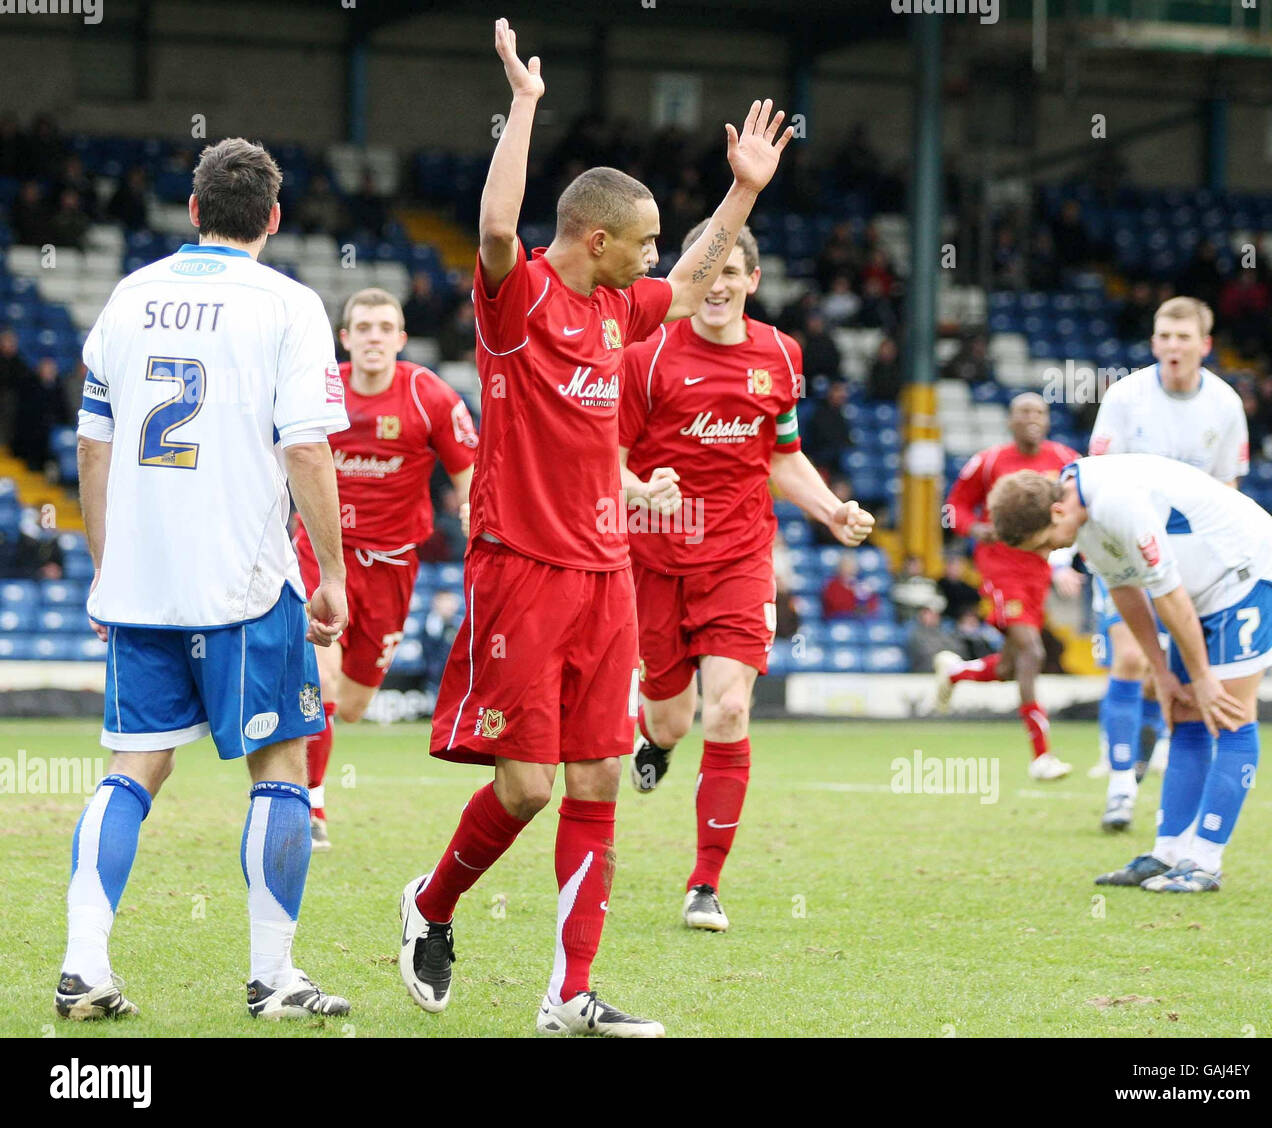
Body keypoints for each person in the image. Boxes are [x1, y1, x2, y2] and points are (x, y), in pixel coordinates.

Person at [397, 18, 793, 1038]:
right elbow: (494, 227)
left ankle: (568, 994)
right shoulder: (518, 300)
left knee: (597, 775)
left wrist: (743, 192)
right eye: (644, 240)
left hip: (605, 571)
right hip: (519, 568)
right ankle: (431, 905)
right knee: (524, 788)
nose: (657, 256)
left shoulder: (623, 312)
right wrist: (523, 107)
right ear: (595, 239)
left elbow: (704, 267)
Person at [58, 137, 352, 1021]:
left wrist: (109, 569)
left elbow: (91, 443)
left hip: (143, 583)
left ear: (191, 211)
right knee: (282, 768)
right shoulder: (289, 305)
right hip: (246, 581)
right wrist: (331, 571)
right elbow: (304, 445)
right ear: (271, 218)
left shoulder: (129, 294)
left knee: (131, 769)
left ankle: (83, 963)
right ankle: (272, 977)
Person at [619, 221, 872, 931]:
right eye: (706, 272)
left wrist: (831, 511)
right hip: (655, 559)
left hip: (738, 558)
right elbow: (607, 458)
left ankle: (704, 883)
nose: (718, 285)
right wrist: (639, 491)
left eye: (732, 271)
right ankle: (660, 744)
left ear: (753, 281)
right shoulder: (649, 353)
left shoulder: (780, 355)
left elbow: (781, 456)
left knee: (728, 709)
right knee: (671, 715)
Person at [990, 456, 1272, 892]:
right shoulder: (1079, 513)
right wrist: (1163, 675)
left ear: (1057, 512)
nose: (1048, 554)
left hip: (1245, 574)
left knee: (1228, 714)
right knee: (1183, 713)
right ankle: (1168, 854)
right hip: (1200, 593)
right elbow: (1126, 593)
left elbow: (1167, 593)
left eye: (1043, 543)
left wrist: (1203, 677)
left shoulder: (1116, 501)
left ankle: (1205, 862)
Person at [292, 287, 477, 851]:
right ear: (345, 339)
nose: (373, 336)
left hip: (393, 566)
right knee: (320, 678)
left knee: (351, 706)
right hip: (324, 555)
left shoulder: (430, 397)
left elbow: (471, 475)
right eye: (362, 327)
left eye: (384, 327)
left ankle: (310, 757)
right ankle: (312, 807)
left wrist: (476, 518)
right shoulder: (319, 390)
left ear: (400, 338)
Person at [1085, 296, 1248, 830]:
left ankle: (1152, 767)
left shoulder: (1225, 405)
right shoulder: (1127, 397)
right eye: (1164, 336)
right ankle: (1118, 788)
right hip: (1127, 550)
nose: (1173, 346)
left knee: (1170, 676)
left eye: (1184, 337)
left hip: (1193, 560)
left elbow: (1228, 490)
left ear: (1204, 345)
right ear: (1153, 342)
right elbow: (1100, 477)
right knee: (1132, 661)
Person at [934, 393, 1080, 780]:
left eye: (1039, 412)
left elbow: (1081, 510)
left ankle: (956, 673)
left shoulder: (1066, 461)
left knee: (1012, 666)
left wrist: (1066, 561)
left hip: (1040, 570)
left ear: (1048, 421)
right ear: (1010, 421)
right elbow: (953, 508)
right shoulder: (990, 461)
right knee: (1032, 650)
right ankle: (1041, 756)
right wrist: (975, 528)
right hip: (1001, 568)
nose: (1031, 418)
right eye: (1023, 412)